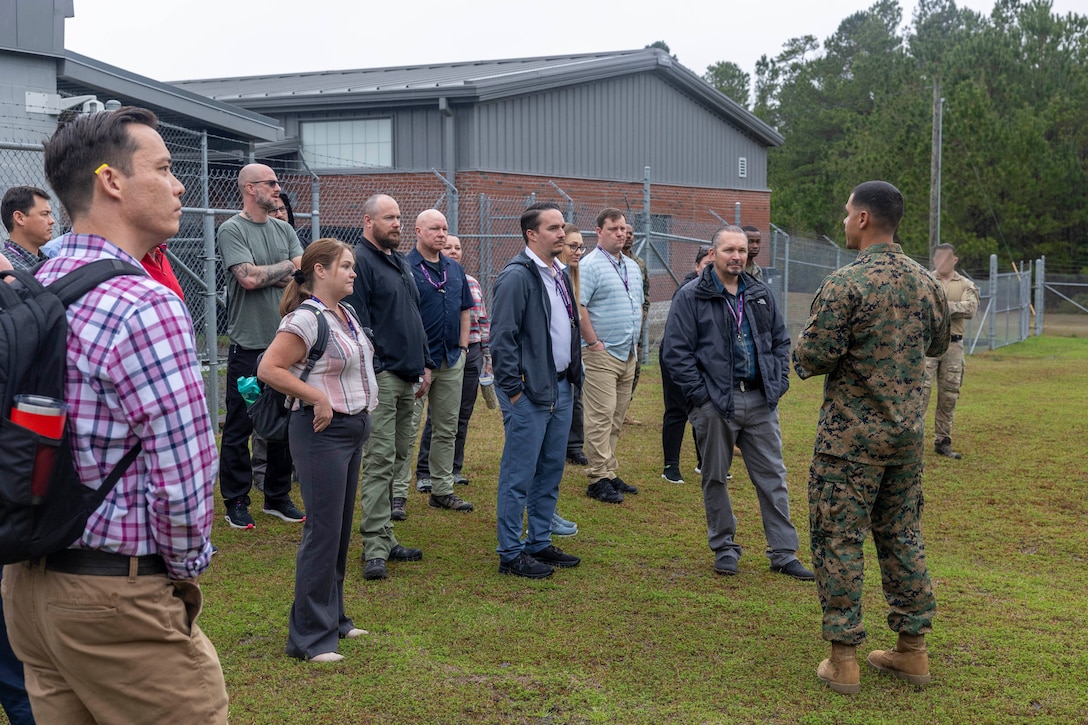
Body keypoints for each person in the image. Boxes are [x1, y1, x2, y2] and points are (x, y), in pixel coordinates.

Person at [3, 106, 228, 722]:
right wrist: (178, 578)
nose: (180, 184)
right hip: (115, 597)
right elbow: (183, 476)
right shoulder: (143, 303)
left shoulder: (33, 286)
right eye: (163, 167)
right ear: (111, 181)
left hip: (28, 589)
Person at [793, 180, 950, 694]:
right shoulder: (927, 282)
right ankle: (912, 651)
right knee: (902, 535)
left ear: (862, 220)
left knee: (838, 539)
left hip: (849, 443)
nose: (843, 221)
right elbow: (938, 341)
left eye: (846, 214)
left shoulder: (847, 282)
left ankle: (843, 660)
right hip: (905, 439)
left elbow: (812, 358)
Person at [661, 226, 813, 581]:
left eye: (742, 250)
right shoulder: (690, 296)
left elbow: (780, 340)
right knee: (715, 476)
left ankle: (783, 552)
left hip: (760, 401)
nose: (737, 256)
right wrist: (701, 398)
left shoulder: (760, 293)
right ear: (712, 254)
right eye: (729, 249)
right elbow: (675, 352)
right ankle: (725, 548)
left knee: (773, 476)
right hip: (716, 403)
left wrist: (778, 382)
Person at [258, 238, 379, 663]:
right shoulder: (306, 319)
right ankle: (309, 638)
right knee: (322, 532)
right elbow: (269, 368)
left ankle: (335, 619)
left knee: (339, 531)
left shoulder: (344, 313)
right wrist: (317, 396)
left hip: (349, 431)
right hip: (319, 432)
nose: (353, 273)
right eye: (345, 266)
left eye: (353, 267)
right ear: (320, 271)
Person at [491, 202, 583, 578]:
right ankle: (511, 553)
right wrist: (514, 390)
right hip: (529, 394)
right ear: (531, 234)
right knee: (519, 474)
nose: (562, 234)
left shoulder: (559, 272)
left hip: (560, 389)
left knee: (550, 469)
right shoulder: (517, 276)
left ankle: (539, 541)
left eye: (562, 227)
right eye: (553, 228)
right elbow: (502, 338)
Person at [344, 194, 429, 581]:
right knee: (379, 462)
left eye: (399, 217)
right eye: (389, 218)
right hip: (383, 378)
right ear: (368, 221)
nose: (397, 223)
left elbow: (412, 315)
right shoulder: (360, 262)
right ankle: (374, 547)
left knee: (397, 459)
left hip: (408, 375)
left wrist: (424, 363)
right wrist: (376, 371)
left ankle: (386, 535)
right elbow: (357, 323)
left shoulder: (399, 262)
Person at [218, 163, 305, 529]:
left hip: (284, 345)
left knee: (285, 422)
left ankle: (277, 496)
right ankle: (236, 499)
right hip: (249, 346)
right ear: (250, 188)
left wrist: (272, 271)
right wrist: (282, 270)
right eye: (271, 183)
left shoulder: (284, 228)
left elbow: (301, 274)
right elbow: (248, 279)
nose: (277, 188)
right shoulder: (231, 229)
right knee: (240, 425)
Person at [402, 210, 475, 513]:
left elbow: (464, 309)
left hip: (451, 359)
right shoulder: (405, 268)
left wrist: (463, 346)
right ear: (418, 231)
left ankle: (442, 488)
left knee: (447, 427)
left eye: (444, 229)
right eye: (434, 228)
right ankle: (397, 494)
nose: (441, 234)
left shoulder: (454, 269)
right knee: (405, 429)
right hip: (417, 363)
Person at [578, 208, 644, 503]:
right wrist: (593, 343)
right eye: (614, 228)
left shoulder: (632, 266)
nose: (621, 233)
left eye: (624, 228)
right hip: (601, 354)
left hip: (627, 353)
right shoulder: (588, 265)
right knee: (600, 417)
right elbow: (580, 307)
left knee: (616, 417)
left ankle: (609, 470)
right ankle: (597, 478)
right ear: (599, 233)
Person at [413, 234, 488, 491]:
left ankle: (453, 469)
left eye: (457, 247)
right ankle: (425, 471)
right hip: (436, 355)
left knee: (460, 416)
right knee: (435, 418)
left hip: (467, 354)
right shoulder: (423, 276)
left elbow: (479, 318)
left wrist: (473, 351)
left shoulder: (470, 281)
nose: (453, 251)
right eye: (448, 247)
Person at [659, 244, 713, 484]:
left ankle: (705, 462)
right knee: (677, 409)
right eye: (706, 266)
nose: (710, 270)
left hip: (704, 358)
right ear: (697, 266)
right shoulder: (687, 290)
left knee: (703, 408)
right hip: (678, 356)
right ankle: (671, 466)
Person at [923, 243, 979, 459]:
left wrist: (942, 307)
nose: (942, 261)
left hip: (953, 346)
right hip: (928, 346)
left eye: (946, 257)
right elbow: (920, 306)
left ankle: (943, 441)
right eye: (938, 257)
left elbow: (970, 309)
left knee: (949, 396)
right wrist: (954, 306)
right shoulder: (925, 281)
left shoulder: (966, 284)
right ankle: (913, 443)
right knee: (921, 394)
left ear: (955, 260)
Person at [561, 223, 588, 468]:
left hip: (574, 353)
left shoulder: (575, 277)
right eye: (573, 246)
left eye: (581, 247)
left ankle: (574, 446)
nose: (578, 251)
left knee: (576, 400)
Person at [623, 223, 651, 424]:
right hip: (615, 325)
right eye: (625, 232)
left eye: (632, 233)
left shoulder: (639, 263)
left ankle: (624, 410)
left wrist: (642, 319)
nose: (629, 237)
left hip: (636, 326)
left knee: (634, 369)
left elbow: (645, 295)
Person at [1, 186, 54, 271]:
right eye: (44, 214)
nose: (52, 221)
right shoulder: (8, 270)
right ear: (20, 218)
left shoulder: (48, 261)